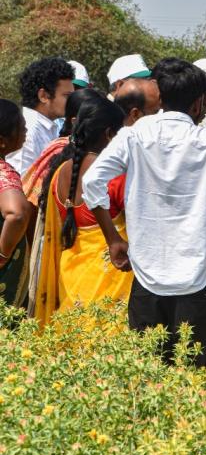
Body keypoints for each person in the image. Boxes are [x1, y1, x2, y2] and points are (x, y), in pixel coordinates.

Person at [82, 58, 206, 367]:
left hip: (146, 280)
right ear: (199, 103)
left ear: (160, 97)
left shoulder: (134, 135)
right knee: (197, 380)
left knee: (150, 380)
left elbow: (92, 183)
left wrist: (114, 239)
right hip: (197, 281)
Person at [34, 100, 131, 323]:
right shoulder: (114, 177)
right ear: (110, 134)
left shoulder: (59, 173)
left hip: (70, 273)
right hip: (113, 276)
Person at [7, 57, 74, 174]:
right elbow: (22, 184)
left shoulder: (47, 127)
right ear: (43, 96)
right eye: (67, 96)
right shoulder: (27, 132)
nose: (72, 101)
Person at [0, 100, 33, 306]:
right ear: (2, 141)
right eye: (21, 126)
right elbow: (17, 214)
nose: (26, 129)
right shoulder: (4, 173)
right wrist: (3, 254)